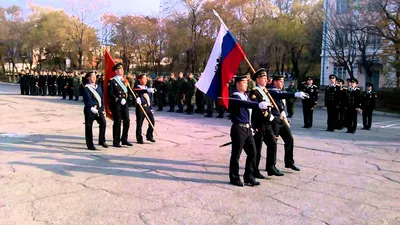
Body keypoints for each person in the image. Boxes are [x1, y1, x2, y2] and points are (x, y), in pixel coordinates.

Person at [229, 74, 270, 187]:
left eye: (247, 83)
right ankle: (234, 177)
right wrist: (258, 104)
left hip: (247, 128)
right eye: (244, 83)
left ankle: (249, 176)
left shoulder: (245, 96)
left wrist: (252, 126)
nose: (246, 85)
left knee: (253, 153)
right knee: (236, 155)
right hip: (239, 128)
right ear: (238, 84)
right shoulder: (235, 96)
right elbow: (245, 104)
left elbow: (249, 111)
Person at [268, 75, 308, 172]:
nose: (282, 83)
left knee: (289, 139)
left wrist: (283, 112)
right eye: (280, 81)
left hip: (282, 120)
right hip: (274, 121)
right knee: (273, 143)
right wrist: (294, 94)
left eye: (283, 81)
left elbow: (280, 102)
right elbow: (279, 95)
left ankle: (289, 162)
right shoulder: (271, 91)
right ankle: (270, 166)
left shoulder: (280, 91)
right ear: (275, 82)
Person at [249, 68, 283, 177]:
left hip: (267, 124)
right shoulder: (254, 92)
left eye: (266, 78)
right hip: (259, 123)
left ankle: (271, 167)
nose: (265, 80)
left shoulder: (265, 91)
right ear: (257, 79)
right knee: (257, 148)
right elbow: (256, 108)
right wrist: (269, 116)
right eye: (263, 78)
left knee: (272, 144)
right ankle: (254, 170)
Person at [107, 63, 132, 147]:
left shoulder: (125, 80)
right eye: (119, 69)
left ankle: (124, 139)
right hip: (116, 104)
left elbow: (130, 90)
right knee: (117, 122)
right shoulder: (112, 81)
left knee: (127, 121)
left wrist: (136, 98)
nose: (121, 71)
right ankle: (116, 141)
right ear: (116, 71)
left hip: (124, 104)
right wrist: (118, 99)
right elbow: (110, 93)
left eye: (122, 69)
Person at [82, 71, 108, 150]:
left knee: (103, 123)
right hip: (90, 109)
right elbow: (87, 99)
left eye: (95, 76)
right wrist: (91, 107)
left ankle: (101, 140)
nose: (94, 78)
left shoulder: (99, 86)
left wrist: (102, 108)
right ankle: (90, 145)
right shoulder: (86, 87)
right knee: (89, 126)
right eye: (92, 76)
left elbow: (102, 98)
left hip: (99, 108)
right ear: (88, 78)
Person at [134, 73, 156, 144]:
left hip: (148, 107)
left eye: (146, 78)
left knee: (152, 121)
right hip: (141, 108)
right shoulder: (137, 87)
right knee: (140, 124)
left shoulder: (147, 87)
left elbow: (150, 98)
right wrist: (147, 91)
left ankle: (149, 135)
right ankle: (139, 138)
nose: (145, 80)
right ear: (140, 80)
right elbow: (139, 91)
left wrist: (151, 108)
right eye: (144, 78)